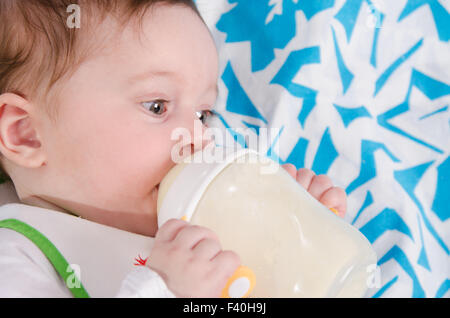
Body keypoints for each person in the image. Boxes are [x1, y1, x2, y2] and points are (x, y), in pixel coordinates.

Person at [0, 0, 347, 297]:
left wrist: (291, 230)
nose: (198, 138)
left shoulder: (202, 219)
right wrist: (163, 288)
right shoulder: (16, 255)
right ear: (26, 134)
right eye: (157, 106)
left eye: (204, 114)